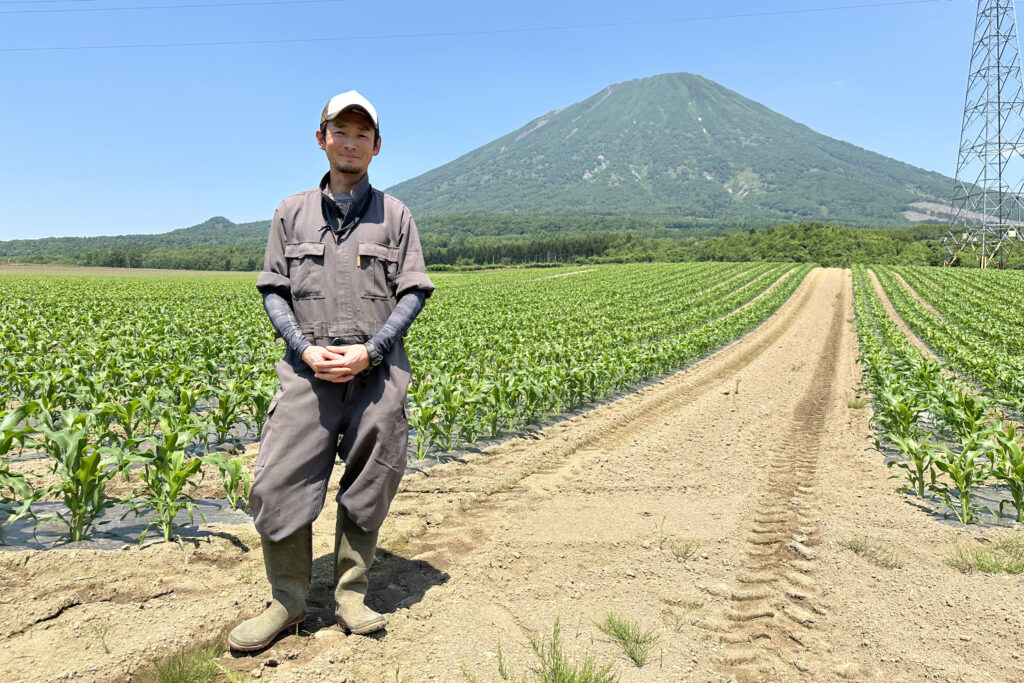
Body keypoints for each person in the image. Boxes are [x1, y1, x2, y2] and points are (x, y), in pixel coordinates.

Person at [228, 90, 434, 651]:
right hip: (306, 373)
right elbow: (274, 292)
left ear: (376, 146)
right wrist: (302, 347)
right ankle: (286, 602)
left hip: (377, 373)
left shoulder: (395, 215)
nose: (350, 142)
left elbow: (412, 293)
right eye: (340, 132)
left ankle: (350, 595)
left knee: (371, 481)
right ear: (322, 139)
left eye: (361, 134)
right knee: (277, 480)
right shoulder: (290, 212)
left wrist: (373, 349)